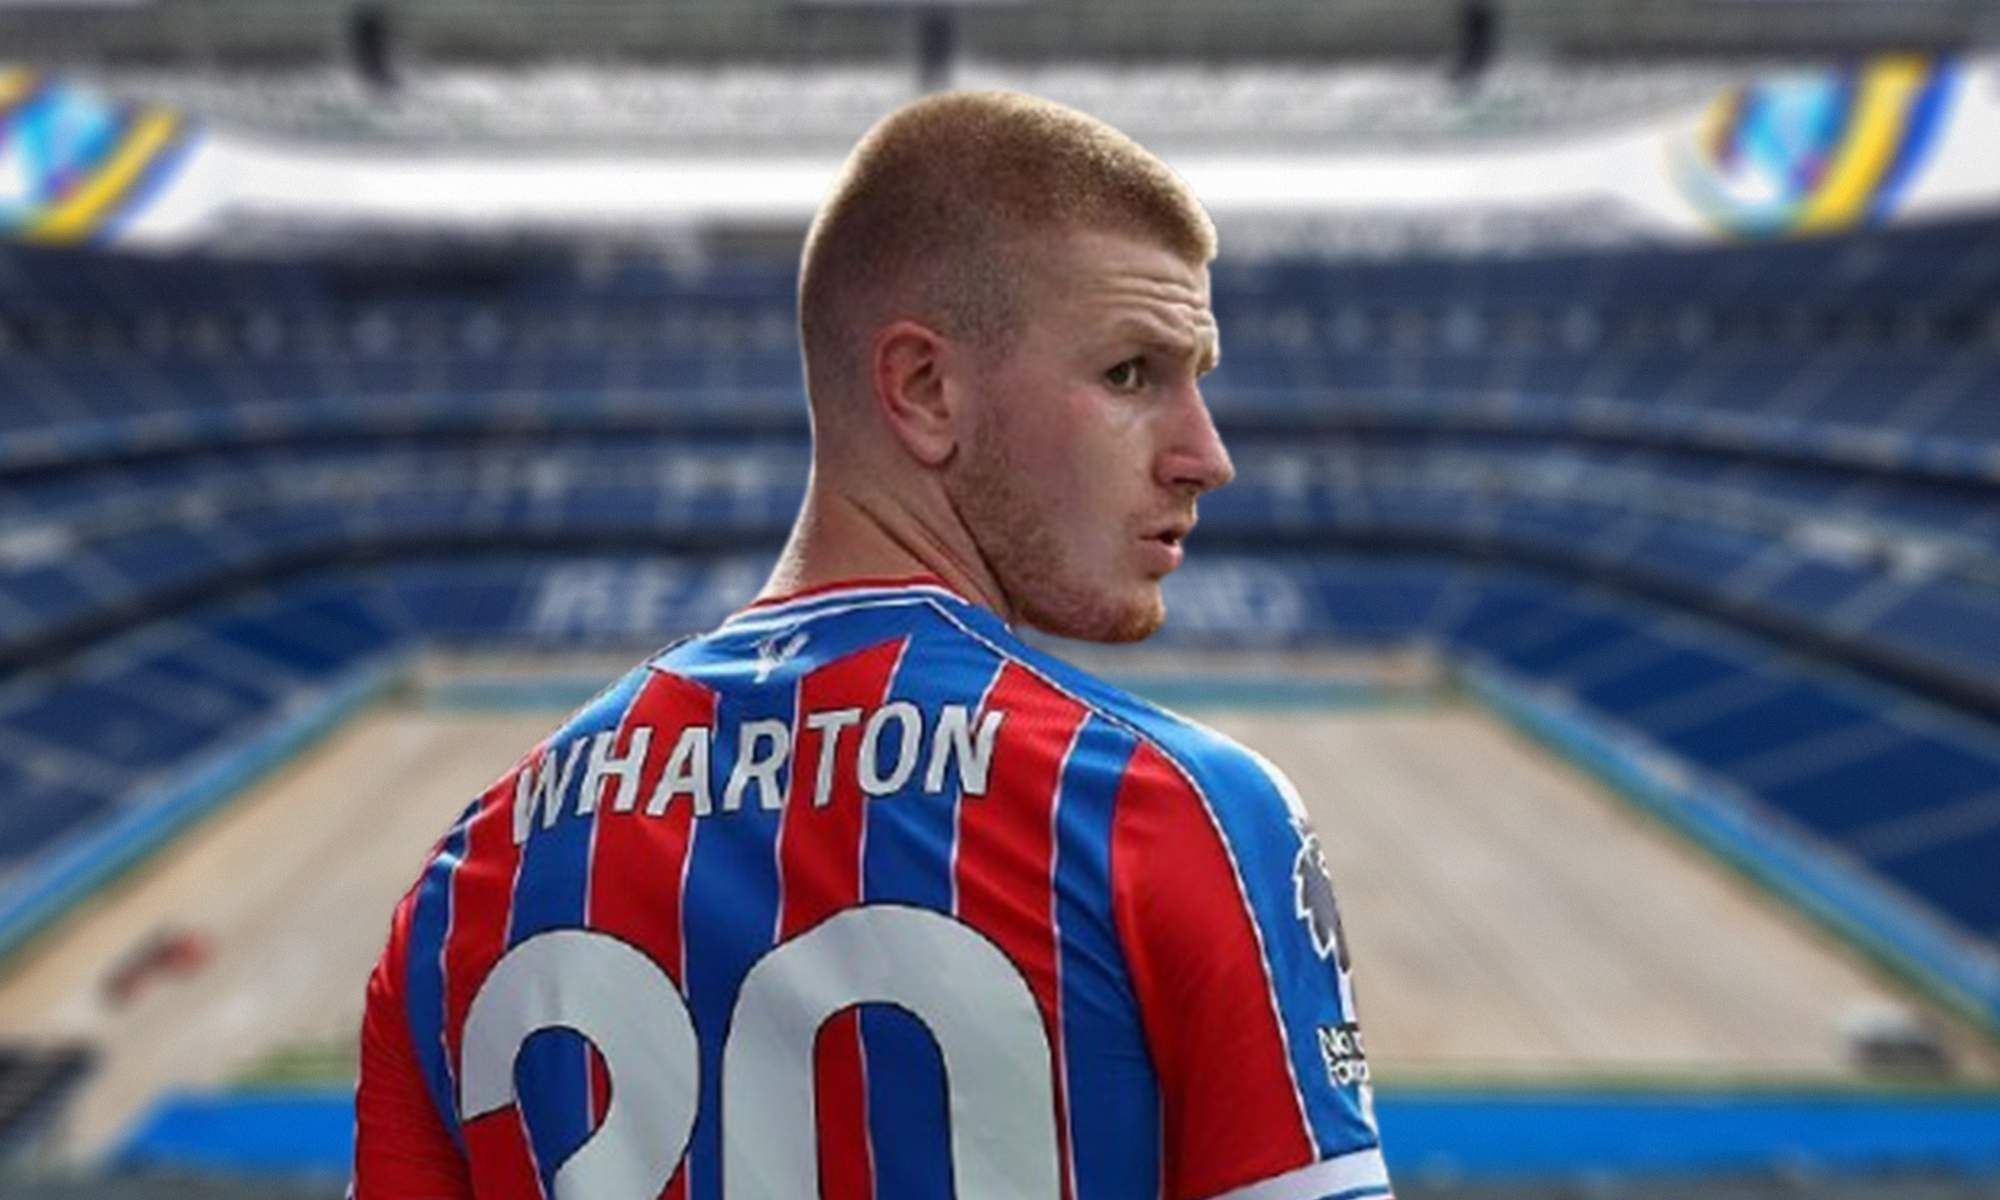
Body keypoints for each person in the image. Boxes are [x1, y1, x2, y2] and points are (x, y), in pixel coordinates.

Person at [353, 90, 1389, 1200]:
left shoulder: (469, 883)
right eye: (1129, 374)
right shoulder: (1175, 812)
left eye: (1199, 378)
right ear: (924, 390)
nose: (1205, 455)